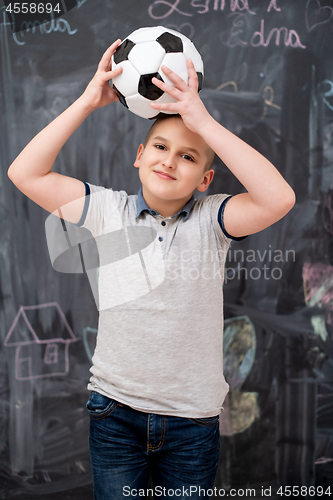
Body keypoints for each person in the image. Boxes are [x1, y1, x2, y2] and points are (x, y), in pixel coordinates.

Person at [7, 39, 295, 499]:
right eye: (161, 146)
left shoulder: (212, 220)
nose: (170, 160)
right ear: (140, 155)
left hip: (192, 421)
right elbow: (26, 173)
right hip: (115, 412)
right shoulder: (107, 210)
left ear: (204, 179)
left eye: (188, 155)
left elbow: (278, 199)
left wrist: (203, 120)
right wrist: (86, 102)